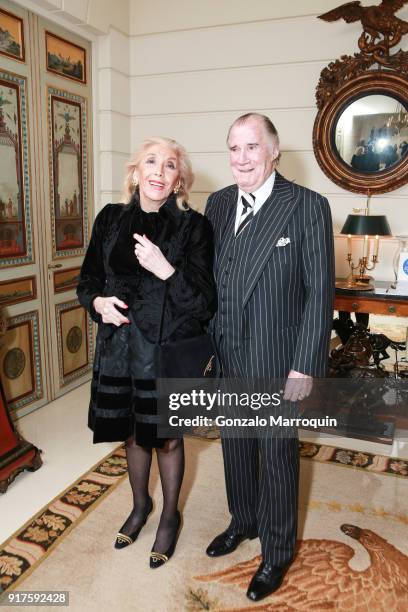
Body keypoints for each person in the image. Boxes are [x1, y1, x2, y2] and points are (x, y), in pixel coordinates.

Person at [205, 113, 334, 602]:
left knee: (277, 456)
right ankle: (244, 520)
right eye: (234, 148)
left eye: (252, 147)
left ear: (274, 150)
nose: (242, 159)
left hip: (279, 360)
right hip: (227, 353)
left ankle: (277, 553)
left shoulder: (307, 206)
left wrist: (304, 364)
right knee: (234, 444)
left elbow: (320, 294)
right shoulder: (216, 204)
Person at [77, 137, 216, 568]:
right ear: (136, 173)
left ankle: (170, 515)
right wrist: (97, 304)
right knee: (132, 433)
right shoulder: (110, 219)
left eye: (170, 165)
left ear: (178, 181)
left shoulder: (195, 227)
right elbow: (88, 282)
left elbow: (203, 302)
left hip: (168, 351)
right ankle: (141, 506)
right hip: (119, 350)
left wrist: (166, 268)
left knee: (168, 438)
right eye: (151, 162)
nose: (159, 170)